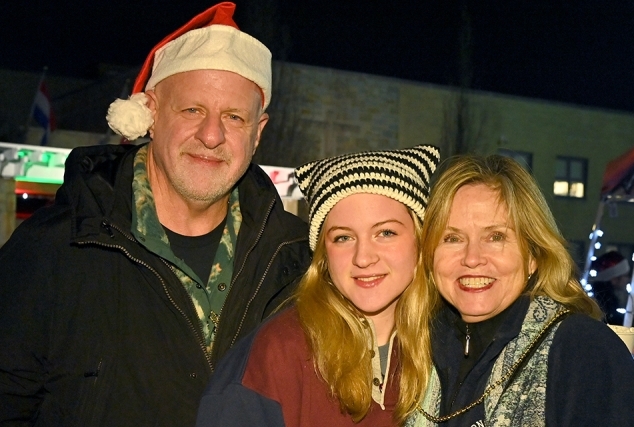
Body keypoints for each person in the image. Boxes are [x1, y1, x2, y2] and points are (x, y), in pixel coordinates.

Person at [0, 3, 311, 426]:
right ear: (150, 113)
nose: (212, 135)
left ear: (257, 133)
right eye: (192, 110)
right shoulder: (55, 248)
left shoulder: (297, 262)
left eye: (234, 117)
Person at [195, 145, 441, 426]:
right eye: (343, 238)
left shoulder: (446, 345)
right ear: (323, 255)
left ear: (420, 241)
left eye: (385, 233)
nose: (363, 257)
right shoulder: (278, 354)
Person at [409, 155, 634, 427]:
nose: (472, 258)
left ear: (533, 255)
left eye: (496, 237)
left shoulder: (581, 350)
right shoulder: (417, 347)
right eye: (452, 238)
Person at [590, 250, 631, 325]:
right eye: (626, 275)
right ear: (614, 279)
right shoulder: (606, 306)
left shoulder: (604, 300)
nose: (628, 280)